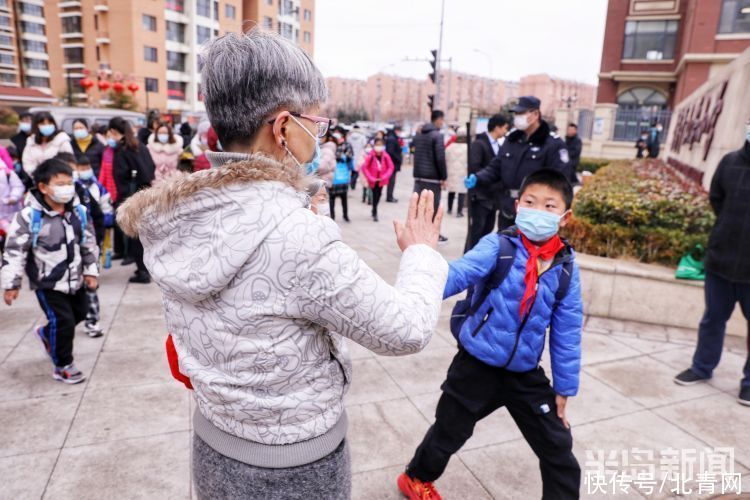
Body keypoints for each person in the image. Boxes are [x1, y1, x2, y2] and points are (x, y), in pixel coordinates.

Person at [116, 30, 449, 500]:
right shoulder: (294, 234)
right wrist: (422, 253)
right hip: (293, 467)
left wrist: (296, 207)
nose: (320, 132)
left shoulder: (177, 213)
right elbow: (406, 330)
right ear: (284, 127)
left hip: (213, 443)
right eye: (317, 121)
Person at [398, 169, 583, 500]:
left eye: (550, 206)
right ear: (517, 205)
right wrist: (420, 263)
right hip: (477, 363)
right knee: (449, 430)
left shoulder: (566, 265)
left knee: (559, 449)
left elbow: (567, 330)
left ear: (565, 216)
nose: (538, 211)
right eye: (530, 202)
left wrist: (564, 387)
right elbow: (458, 274)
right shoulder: (499, 246)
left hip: (525, 373)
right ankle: (416, 478)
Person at [2, 158, 99, 384]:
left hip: (75, 279)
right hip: (47, 282)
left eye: (69, 182)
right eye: (60, 183)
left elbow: (88, 243)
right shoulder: (29, 216)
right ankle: (63, 365)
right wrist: (11, 284)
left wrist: (91, 271)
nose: (66, 188)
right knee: (63, 321)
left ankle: (46, 334)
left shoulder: (79, 213)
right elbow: (15, 251)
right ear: (43, 187)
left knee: (81, 313)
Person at [674, 118, 750, 406]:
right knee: (712, 320)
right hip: (721, 260)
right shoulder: (729, 163)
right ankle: (702, 367)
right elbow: (717, 199)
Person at [465, 96, 571, 231]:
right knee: (506, 249)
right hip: (508, 210)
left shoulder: (552, 144)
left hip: (534, 215)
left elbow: (560, 181)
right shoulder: (512, 140)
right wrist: (478, 177)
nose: (517, 117)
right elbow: (496, 166)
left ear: (535, 114)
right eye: (516, 114)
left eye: (521, 113)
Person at [57, 153, 108, 338]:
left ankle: (92, 321)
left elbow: (97, 217)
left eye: (72, 171)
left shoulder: (82, 192)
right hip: (60, 256)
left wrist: (98, 242)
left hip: (85, 248)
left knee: (91, 285)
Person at [100, 117, 155, 283]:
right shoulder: (139, 145)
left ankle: (142, 272)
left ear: (114, 132)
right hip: (145, 193)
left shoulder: (123, 150)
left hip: (129, 196)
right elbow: (151, 168)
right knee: (142, 235)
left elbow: (121, 175)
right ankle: (146, 268)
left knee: (134, 236)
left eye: (110, 132)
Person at [466, 114, 509, 251]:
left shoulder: (499, 146)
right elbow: (474, 168)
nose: (506, 132)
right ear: (497, 128)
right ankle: (468, 260)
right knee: (476, 232)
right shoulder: (479, 144)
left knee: (487, 229)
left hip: (493, 198)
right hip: (480, 197)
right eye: (505, 128)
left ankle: (479, 258)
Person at [413, 110, 448, 243]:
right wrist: (444, 177)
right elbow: (440, 158)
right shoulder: (437, 135)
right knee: (432, 207)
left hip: (419, 178)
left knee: (418, 206)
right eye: (442, 120)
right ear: (438, 119)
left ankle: (417, 233)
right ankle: (432, 235)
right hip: (432, 179)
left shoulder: (419, 134)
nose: (442, 123)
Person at [22, 111, 74, 178]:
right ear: (36, 126)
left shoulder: (61, 140)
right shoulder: (31, 142)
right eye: (43, 124)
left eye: (49, 123)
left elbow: (69, 160)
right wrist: (38, 175)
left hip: (59, 179)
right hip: (38, 179)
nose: (47, 126)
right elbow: (27, 162)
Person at [360, 137, 394, 222]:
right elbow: (364, 167)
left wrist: (385, 176)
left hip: (381, 180)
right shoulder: (371, 155)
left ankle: (374, 208)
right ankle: (375, 211)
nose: (379, 147)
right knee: (375, 195)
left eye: (381, 145)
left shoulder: (385, 155)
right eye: (377, 145)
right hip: (373, 180)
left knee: (379, 195)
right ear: (374, 145)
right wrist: (371, 177)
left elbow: (391, 167)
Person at [330, 126, 354, 222]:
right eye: (335, 132)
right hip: (333, 175)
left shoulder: (347, 145)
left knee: (344, 197)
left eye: (338, 132)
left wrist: (339, 157)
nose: (337, 134)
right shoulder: (331, 144)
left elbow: (349, 156)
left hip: (343, 175)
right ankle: (332, 216)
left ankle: (345, 215)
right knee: (331, 197)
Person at [0, 146, 24, 241]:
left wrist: (14, 197)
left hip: (11, 212)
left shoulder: (7, 173)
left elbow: (18, 186)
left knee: (13, 235)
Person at [445, 131, 468, 218]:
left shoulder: (450, 147)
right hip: (463, 173)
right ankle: (459, 211)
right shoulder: (467, 148)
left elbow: (445, 158)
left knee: (451, 191)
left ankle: (449, 209)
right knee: (461, 192)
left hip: (451, 172)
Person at [385, 125, 403, 203]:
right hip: (392, 163)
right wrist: (398, 158)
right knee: (391, 181)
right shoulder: (392, 139)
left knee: (392, 181)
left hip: (393, 163)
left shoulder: (393, 138)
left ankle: (390, 195)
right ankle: (389, 196)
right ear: (396, 130)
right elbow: (390, 151)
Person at [347, 124, 368, 190]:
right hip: (359, 155)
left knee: (353, 169)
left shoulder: (349, 136)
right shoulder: (362, 136)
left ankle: (352, 182)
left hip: (352, 155)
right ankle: (353, 182)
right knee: (358, 169)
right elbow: (365, 144)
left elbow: (348, 144)